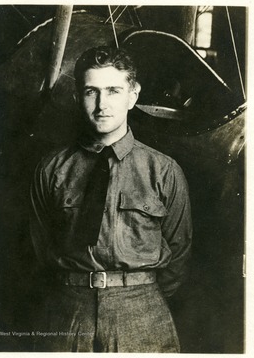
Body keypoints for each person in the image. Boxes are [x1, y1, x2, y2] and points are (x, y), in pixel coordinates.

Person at [30, 46, 192, 353]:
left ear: (132, 96)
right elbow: (40, 249)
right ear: (78, 97)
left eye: (114, 90)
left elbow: (179, 255)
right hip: (67, 312)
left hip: (141, 314)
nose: (102, 104)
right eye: (91, 91)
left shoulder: (164, 170)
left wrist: (136, 293)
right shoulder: (52, 169)